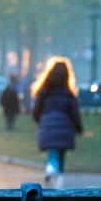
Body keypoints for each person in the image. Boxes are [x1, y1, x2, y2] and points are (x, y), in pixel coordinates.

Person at [31, 58, 83, 189]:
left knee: (52, 150)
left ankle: (51, 168)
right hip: (65, 127)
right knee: (61, 152)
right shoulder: (69, 94)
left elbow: (37, 110)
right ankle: (59, 176)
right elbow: (74, 113)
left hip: (47, 125)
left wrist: (39, 120)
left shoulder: (44, 92)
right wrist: (78, 128)